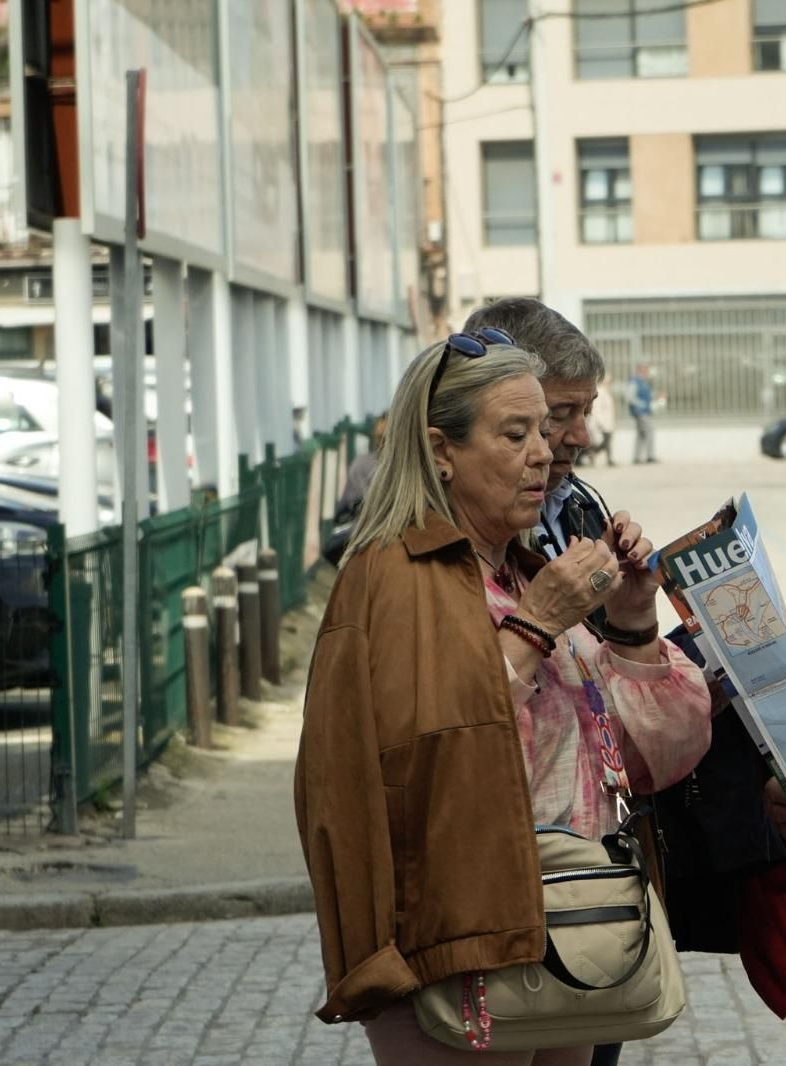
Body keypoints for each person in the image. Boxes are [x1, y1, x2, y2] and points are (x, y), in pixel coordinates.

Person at [294, 331, 712, 1066]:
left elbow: (661, 756)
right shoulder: (393, 576)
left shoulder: (524, 572)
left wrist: (635, 620)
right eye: (514, 434)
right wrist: (536, 627)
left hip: (569, 922)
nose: (544, 453)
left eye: (543, 432)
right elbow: (418, 762)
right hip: (453, 939)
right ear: (441, 449)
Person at [462, 299, 614, 560]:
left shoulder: (582, 509)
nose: (583, 438)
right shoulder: (441, 547)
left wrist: (625, 600)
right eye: (559, 415)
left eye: (587, 412)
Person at [628, 363, 656, 464]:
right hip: (641, 412)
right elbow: (631, 398)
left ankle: (637, 457)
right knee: (649, 432)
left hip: (644, 412)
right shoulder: (635, 382)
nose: (647, 373)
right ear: (640, 371)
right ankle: (650, 456)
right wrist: (642, 405)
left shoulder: (643, 382)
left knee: (641, 434)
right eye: (645, 371)